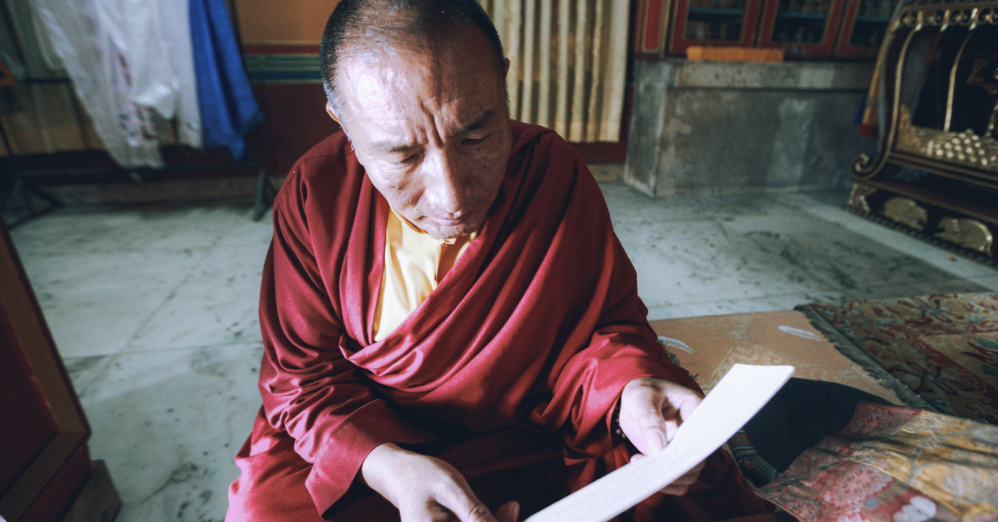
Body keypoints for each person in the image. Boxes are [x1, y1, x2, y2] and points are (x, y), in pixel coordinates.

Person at [225, 1, 771, 520]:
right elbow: (302, 377)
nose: (452, 197)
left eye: (476, 136)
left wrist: (628, 390)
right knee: (265, 509)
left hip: (524, 427)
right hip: (375, 431)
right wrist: (386, 466)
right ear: (343, 123)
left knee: (671, 460)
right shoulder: (316, 194)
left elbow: (602, 329)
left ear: (502, 82)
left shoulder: (548, 172)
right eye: (404, 155)